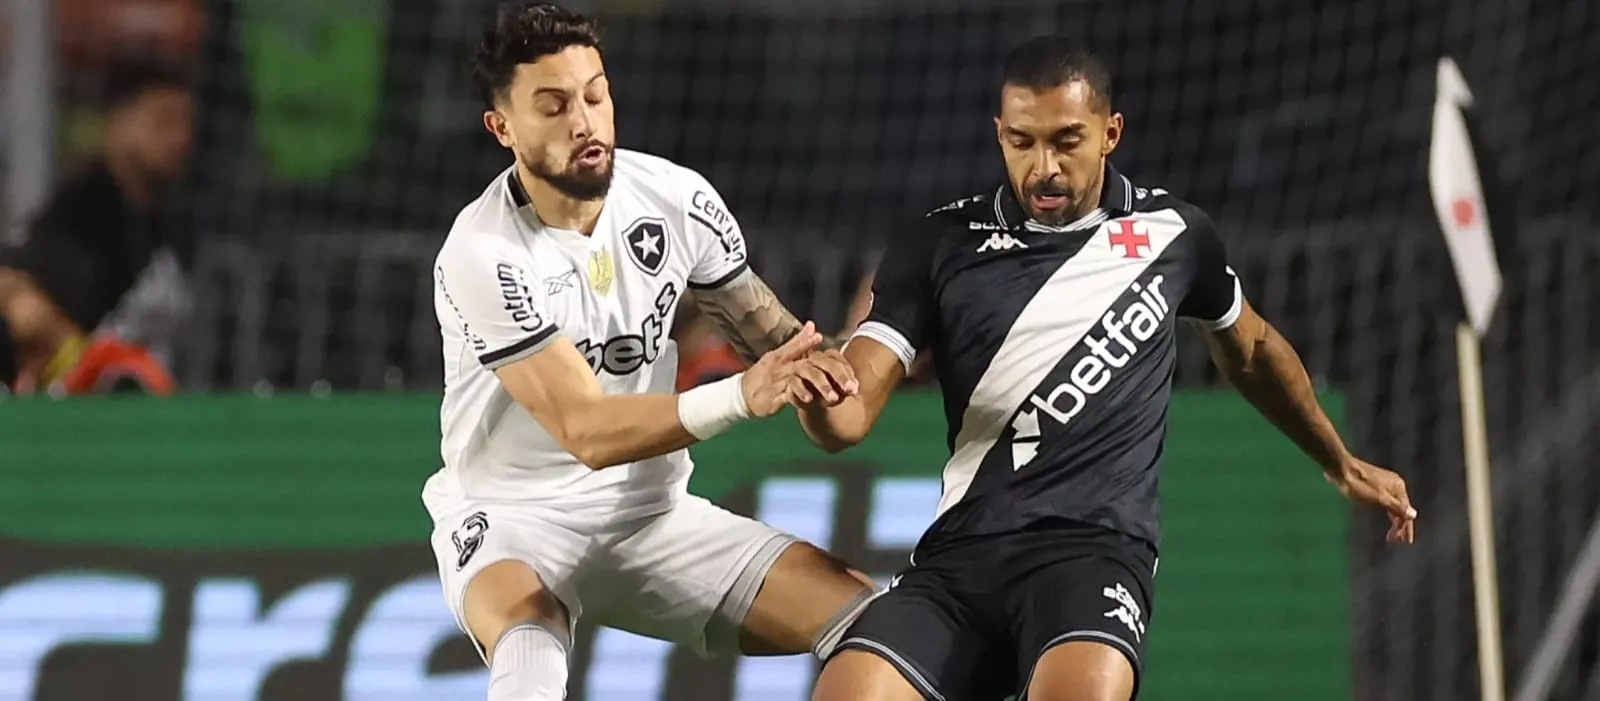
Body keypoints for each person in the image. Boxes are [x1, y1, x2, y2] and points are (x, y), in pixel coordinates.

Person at [797, 36, 1419, 701]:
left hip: (1092, 556)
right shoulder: (939, 243)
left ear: (1110, 132)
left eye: (1067, 141)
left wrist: (1338, 459)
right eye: (1021, 142)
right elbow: (847, 417)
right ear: (999, 134)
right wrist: (816, 392)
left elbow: (1253, 350)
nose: (1044, 168)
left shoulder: (1175, 234)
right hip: (960, 559)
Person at [425, 4, 876, 699]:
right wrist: (740, 395)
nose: (584, 122)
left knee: (884, 626)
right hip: (514, 519)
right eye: (553, 106)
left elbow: (823, 400)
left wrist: (861, 360)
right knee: (528, 648)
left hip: (650, 516)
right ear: (502, 127)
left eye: (595, 95)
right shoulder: (482, 253)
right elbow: (587, 430)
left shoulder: (676, 200)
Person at [0, 57, 195, 394]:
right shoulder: (74, 219)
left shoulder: (176, 218)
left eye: (186, 124)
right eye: (163, 121)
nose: (181, 139)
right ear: (118, 121)